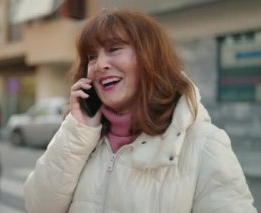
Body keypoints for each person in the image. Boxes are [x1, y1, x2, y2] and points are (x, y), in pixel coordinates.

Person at [24, 8, 257, 213]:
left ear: (149, 59)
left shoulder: (206, 145)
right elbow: (38, 207)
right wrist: (78, 132)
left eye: (114, 49)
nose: (100, 65)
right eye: (91, 57)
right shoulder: (81, 136)